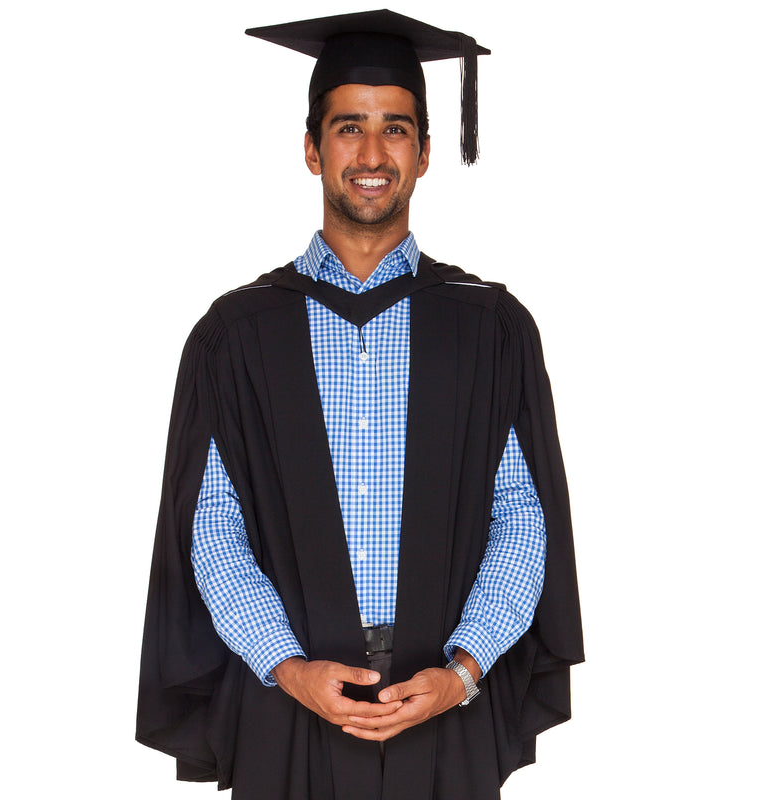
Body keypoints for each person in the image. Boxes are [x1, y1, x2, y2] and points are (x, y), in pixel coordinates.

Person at [136, 10, 583, 800]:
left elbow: (523, 518)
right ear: (312, 149)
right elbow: (211, 528)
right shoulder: (237, 334)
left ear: (426, 151)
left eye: (396, 130)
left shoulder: (489, 327)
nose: (372, 155)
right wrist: (289, 666)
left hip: (444, 717)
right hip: (289, 719)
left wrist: (464, 669)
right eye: (349, 128)